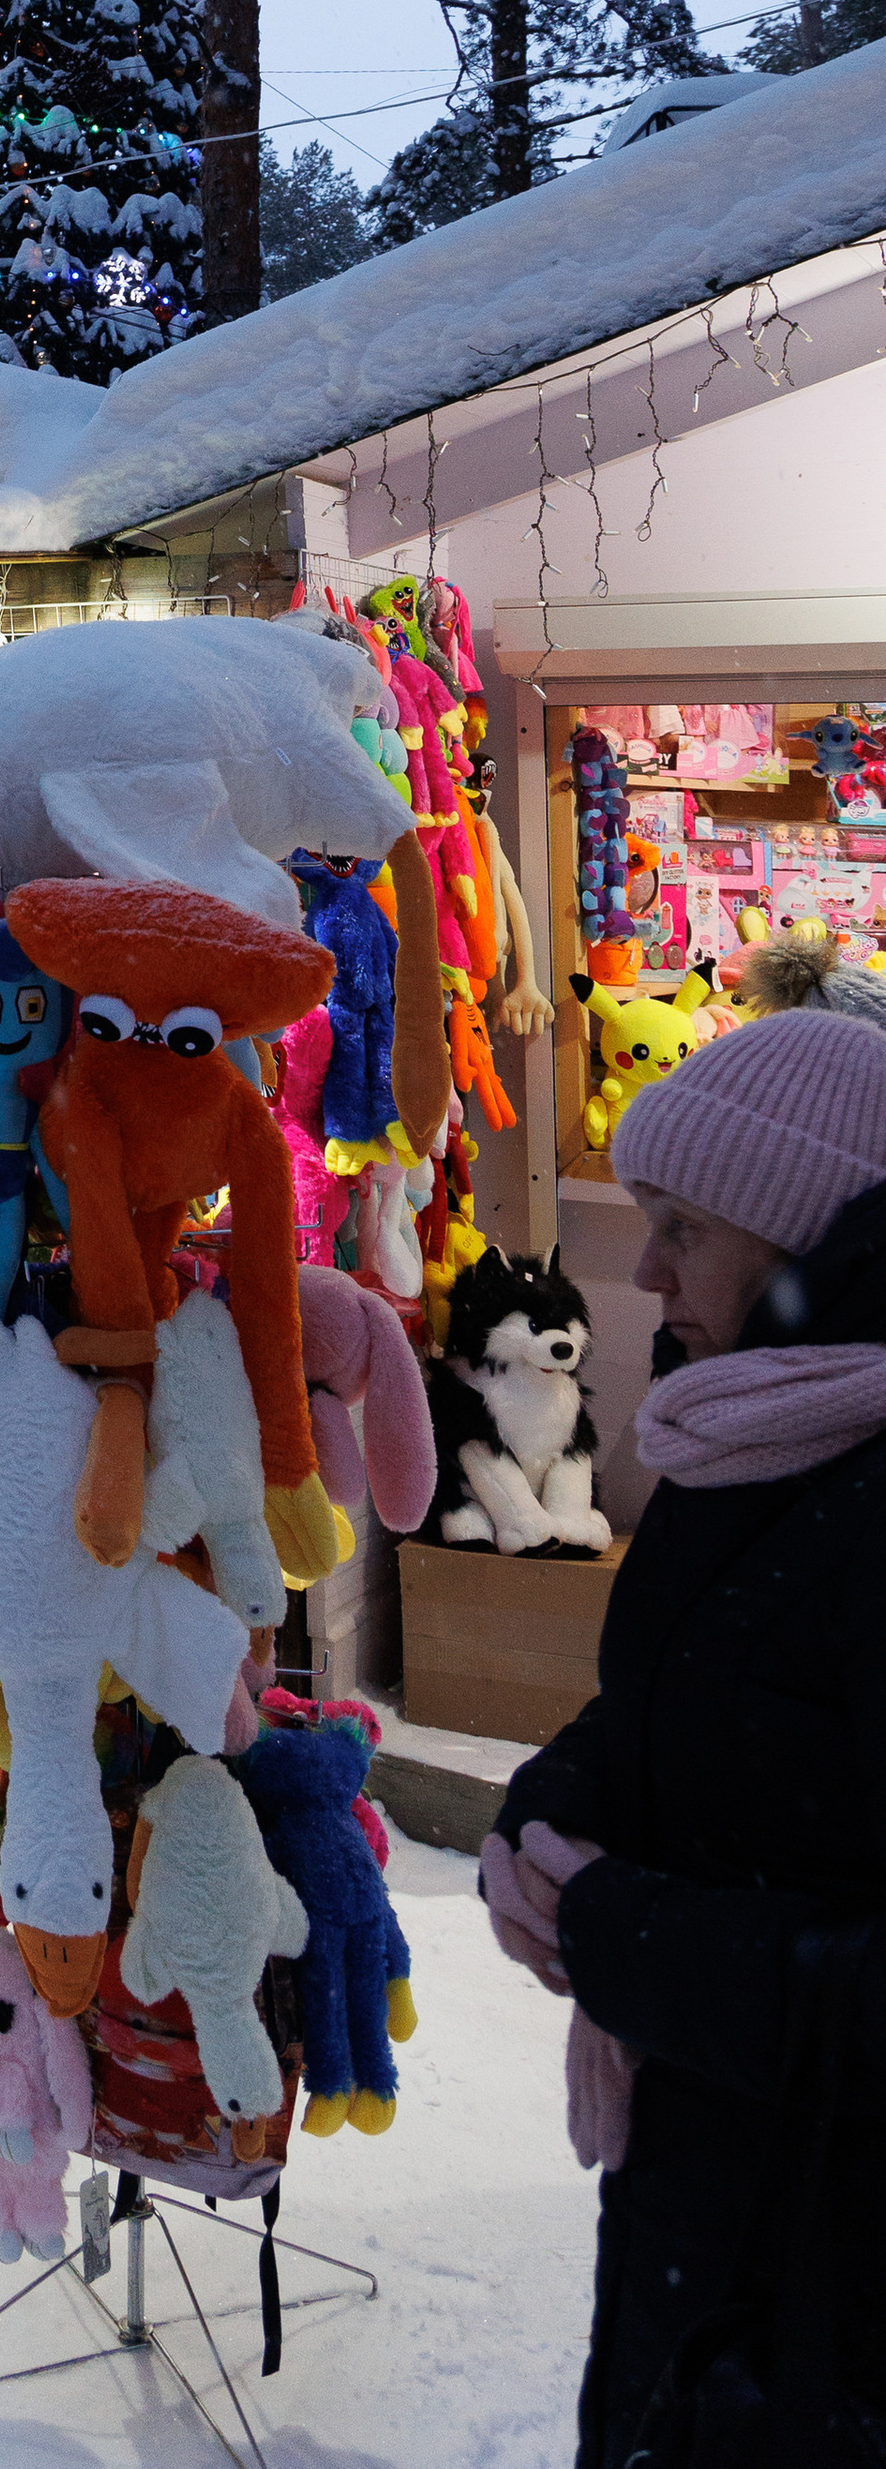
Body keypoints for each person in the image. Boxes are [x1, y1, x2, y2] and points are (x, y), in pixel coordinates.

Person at [479, 1007, 886, 2467]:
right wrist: (565, 1793)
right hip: (709, 2219)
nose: (642, 1270)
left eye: (682, 1229)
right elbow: (697, 1699)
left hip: (834, 2300)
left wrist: (629, 1936)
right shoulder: (765, 1431)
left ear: (814, 1251)